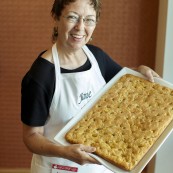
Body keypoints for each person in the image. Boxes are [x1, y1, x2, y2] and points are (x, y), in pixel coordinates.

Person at [21, 0, 160, 172]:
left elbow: (123, 81)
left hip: (101, 167)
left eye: (89, 20)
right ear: (57, 18)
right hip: (60, 166)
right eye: (72, 17)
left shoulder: (96, 56)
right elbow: (31, 136)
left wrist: (139, 70)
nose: (80, 27)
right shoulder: (40, 76)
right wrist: (65, 152)